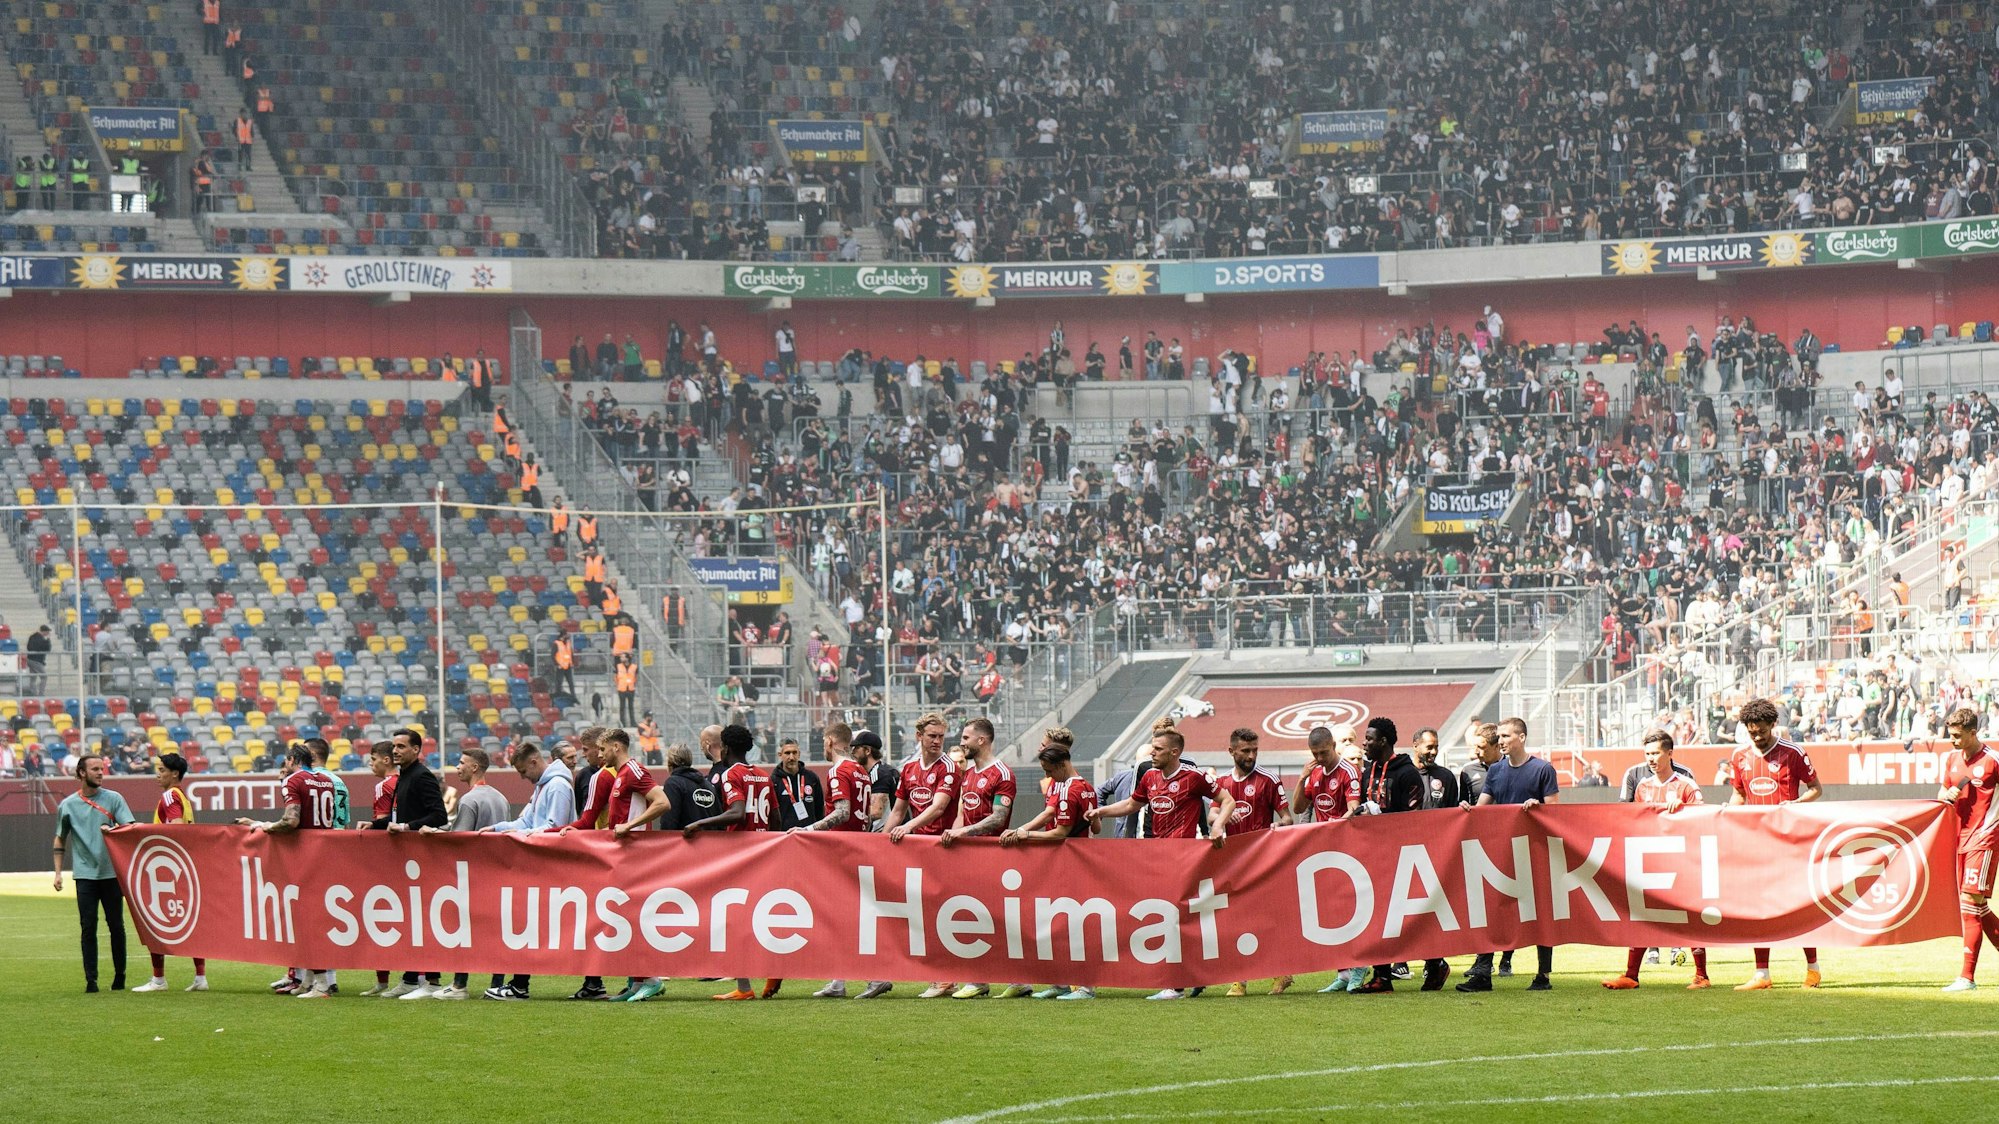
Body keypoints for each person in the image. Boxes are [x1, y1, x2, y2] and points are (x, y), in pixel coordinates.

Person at [1088, 727, 1233, 1000]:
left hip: (1184, 857)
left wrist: (1218, 826)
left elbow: (1227, 800)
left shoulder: (1194, 777)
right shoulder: (1151, 777)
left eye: (1157, 749)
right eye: (1152, 748)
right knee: (1178, 917)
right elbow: (1132, 805)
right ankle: (1193, 975)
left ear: (1174, 752)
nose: (1152, 753)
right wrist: (1101, 811)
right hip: (1156, 857)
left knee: (1173, 917)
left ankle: (1175, 985)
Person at [1457, 717, 1559, 994]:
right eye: (1499, 736)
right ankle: (1482, 973)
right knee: (1493, 910)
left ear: (1522, 737)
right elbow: (1482, 810)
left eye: (1505, 736)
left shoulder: (1542, 769)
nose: (1500, 741)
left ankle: (1543, 975)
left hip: (1535, 853)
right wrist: (1468, 809)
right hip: (1502, 852)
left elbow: (1556, 814)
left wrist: (1538, 806)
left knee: (1540, 913)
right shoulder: (1496, 771)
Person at [1729, 697, 1824, 990]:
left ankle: (1813, 968)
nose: (1756, 736)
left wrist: (1793, 805)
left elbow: (1816, 790)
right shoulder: (1739, 756)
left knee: (1799, 904)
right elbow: (1739, 797)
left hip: (1790, 841)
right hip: (1757, 843)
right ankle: (1762, 974)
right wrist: (1729, 814)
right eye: (1751, 731)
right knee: (1759, 907)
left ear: (1773, 725)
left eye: (1761, 731)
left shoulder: (1793, 753)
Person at [1603, 731, 1710, 990]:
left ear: (1670, 753)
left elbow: (1704, 817)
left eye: (1656, 753)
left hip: (1681, 860)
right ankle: (1631, 975)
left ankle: (1701, 975)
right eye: (1648, 753)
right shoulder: (1643, 786)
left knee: (1689, 915)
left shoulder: (1685, 784)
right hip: (1650, 861)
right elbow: (1632, 819)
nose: (1651, 758)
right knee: (1641, 915)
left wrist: (1684, 808)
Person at [1001, 731, 1099, 999]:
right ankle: (1062, 982)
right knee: (1060, 923)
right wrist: (1022, 828)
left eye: (1048, 771)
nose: (1048, 777)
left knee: (1075, 923)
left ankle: (1085, 986)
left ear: (1061, 764)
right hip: (1070, 863)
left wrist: (1026, 835)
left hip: (1073, 864)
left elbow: (1060, 833)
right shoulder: (1084, 786)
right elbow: (1096, 825)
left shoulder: (1070, 790)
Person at [236, 743, 338, 997]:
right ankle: (310, 982)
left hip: (304, 855)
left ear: (292, 759)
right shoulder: (326, 780)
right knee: (311, 918)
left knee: (307, 921)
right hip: (325, 851)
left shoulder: (293, 780)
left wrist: (267, 826)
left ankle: (322, 984)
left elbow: (291, 820)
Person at [682, 723, 775, 1000]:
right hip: (765, 851)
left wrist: (700, 822)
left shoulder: (730, 775)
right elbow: (777, 820)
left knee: (733, 919)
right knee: (762, 917)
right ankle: (769, 976)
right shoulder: (763, 775)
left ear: (726, 747)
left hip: (741, 854)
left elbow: (736, 813)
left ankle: (745, 988)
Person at [1349, 718, 1441, 994]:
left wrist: (1378, 815)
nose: (1364, 743)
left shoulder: (1407, 774)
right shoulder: (1368, 771)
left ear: (1384, 742)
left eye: (1370, 738)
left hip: (1404, 858)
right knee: (1378, 916)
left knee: (1412, 917)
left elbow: (1411, 819)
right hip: (1375, 856)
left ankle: (1436, 963)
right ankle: (1382, 977)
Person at [480, 741, 576, 1001]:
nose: (523, 777)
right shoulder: (544, 786)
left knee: (531, 925)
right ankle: (521, 984)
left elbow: (554, 827)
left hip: (550, 867)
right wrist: (499, 828)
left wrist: (518, 832)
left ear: (534, 762)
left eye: (523, 771)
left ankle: (520, 986)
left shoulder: (556, 786)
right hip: (540, 866)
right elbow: (527, 821)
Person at [419, 748, 511, 999]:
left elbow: (460, 839)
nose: (457, 767)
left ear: (474, 768)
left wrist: (434, 833)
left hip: (473, 874)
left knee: (464, 929)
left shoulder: (470, 800)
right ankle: (497, 984)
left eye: (461, 763)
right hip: (498, 873)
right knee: (496, 932)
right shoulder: (501, 798)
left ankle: (459, 985)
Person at [940, 717, 1017, 999]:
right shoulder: (969, 774)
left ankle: (1014, 978)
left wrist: (963, 834)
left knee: (996, 919)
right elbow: (963, 812)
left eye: (966, 737)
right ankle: (980, 979)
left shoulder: (1002, 774)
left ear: (981, 740)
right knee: (975, 917)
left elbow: (998, 819)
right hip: (969, 856)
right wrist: (956, 834)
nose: (962, 742)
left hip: (993, 856)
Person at [1213, 727, 1292, 997]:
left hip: (1263, 861)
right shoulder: (1222, 783)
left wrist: (1276, 825)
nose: (1251, 755)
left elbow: (1287, 818)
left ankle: (1281, 973)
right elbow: (1211, 815)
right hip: (1233, 862)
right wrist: (1223, 817)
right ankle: (1239, 978)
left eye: (1255, 750)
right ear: (1231, 751)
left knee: (1267, 917)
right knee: (1235, 919)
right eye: (1245, 751)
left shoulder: (1268, 780)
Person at [809, 723, 883, 999]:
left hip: (841, 850)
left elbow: (842, 812)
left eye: (823, 741)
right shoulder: (861, 771)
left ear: (830, 741)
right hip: (858, 846)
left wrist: (810, 829)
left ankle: (877, 975)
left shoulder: (839, 771)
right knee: (844, 917)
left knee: (846, 917)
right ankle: (839, 981)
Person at [374, 728, 449, 998]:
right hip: (405, 861)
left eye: (401, 746)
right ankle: (409, 979)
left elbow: (438, 815)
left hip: (422, 860)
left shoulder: (422, 776)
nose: (395, 751)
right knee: (408, 921)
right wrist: (374, 825)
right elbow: (397, 816)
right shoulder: (404, 777)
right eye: (394, 746)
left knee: (423, 920)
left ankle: (432, 981)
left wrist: (406, 827)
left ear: (416, 750)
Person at [53, 753, 135, 992]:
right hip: (85, 876)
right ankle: (92, 980)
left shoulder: (114, 799)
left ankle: (120, 976)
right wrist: (58, 873)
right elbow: (60, 837)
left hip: (111, 874)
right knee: (88, 927)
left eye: (102, 768)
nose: (101, 772)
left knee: (116, 926)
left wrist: (113, 832)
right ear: (81, 773)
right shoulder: (67, 805)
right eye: (95, 769)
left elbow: (129, 829)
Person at [131, 752, 207, 993]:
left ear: (174, 774)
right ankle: (200, 978)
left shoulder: (169, 796)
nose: (158, 774)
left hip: (167, 869)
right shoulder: (183, 797)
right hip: (185, 868)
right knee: (193, 924)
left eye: (162, 770)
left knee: (155, 919)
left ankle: (159, 980)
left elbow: (175, 830)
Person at [1941, 707, 1999, 992]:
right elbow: (1942, 791)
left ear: (1973, 733)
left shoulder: (1992, 761)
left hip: (1985, 838)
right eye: (1950, 735)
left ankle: (1967, 977)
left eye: (1956, 736)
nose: (1951, 740)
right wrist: (1946, 795)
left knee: (1969, 903)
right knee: (1977, 905)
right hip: (1959, 838)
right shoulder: (1951, 759)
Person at [769, 737, 825, 830]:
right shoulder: (773, 781)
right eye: (787, 753)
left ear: (799, 754)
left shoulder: (812, 778)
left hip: (809, 836)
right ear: (780, 755)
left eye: (794, 753)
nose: (791, 757)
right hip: (783, 837)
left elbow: (819, 810)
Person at [853, 728, 895, 829]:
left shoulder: (879, 773)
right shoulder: (880, 770)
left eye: (856, 748)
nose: (853, 752)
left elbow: (876, 812)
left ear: (867, 751)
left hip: (887, 835)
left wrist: (849, 816)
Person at [1410, 726, 1458, 809]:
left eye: (1436, 747)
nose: (1434, 752)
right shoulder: (1403, 775)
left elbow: (1453, 810)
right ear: (1415, 746)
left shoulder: (1446, 776)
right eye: (1429, 747)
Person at [25, 624, 51, 694]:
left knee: (33, 678)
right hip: (37, 661)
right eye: (48, 632)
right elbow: (48, 649)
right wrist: (48, 640)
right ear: (44, 632)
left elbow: (28, 647)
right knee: (44, 677)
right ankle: (41, 693)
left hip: (30, 659)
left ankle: (33, 693)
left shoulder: (32, 636)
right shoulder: (42, 639)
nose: (48, 633)